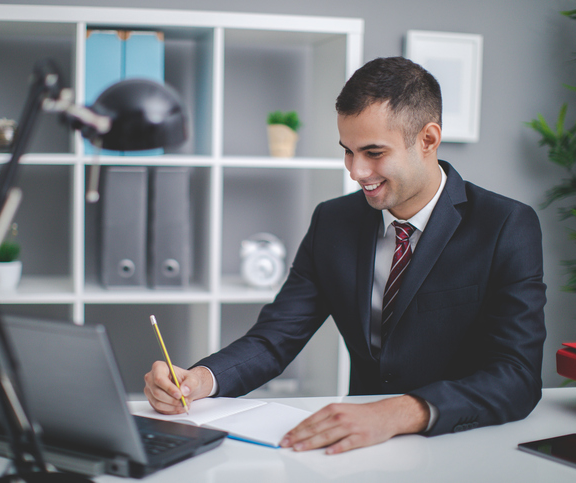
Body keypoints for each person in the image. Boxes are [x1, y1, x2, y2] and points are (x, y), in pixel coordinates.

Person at [143, 56, 546, 455]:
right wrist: (200, 380)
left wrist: (400, 413)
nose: (355, 171)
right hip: (356, 450)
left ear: (428, 139)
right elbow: (274, 339)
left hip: (463, 445)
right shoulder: (332, 221)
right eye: (348, 151)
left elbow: (517, 375)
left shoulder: (506, 225)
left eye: (373, 152)